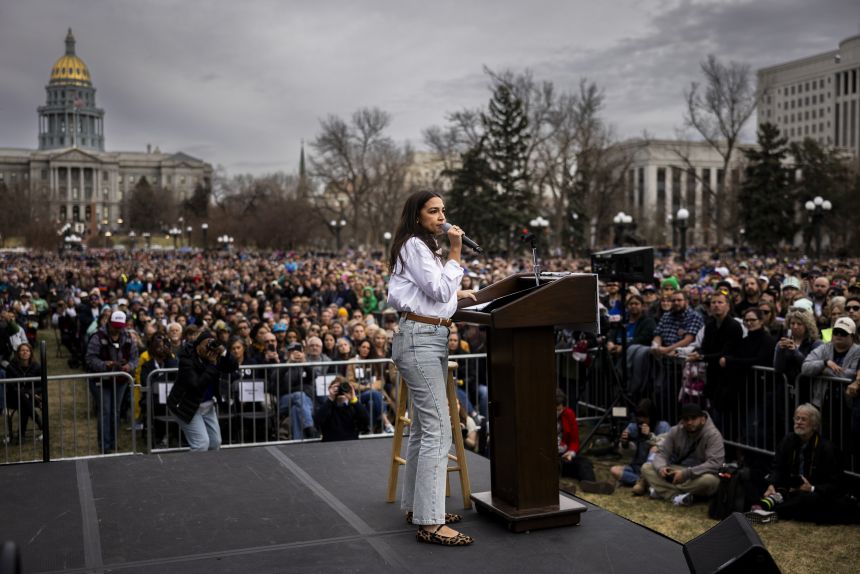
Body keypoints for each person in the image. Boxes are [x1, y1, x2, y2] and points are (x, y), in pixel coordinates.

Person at [387, 190, 475, 546]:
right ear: (417, 216)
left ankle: (418, 508)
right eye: (434, 211)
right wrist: (456, 252)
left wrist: (459, 296)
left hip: (428, 336)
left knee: (424, 429)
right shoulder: (413, 245)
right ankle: (431, 522)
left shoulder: (423, 247)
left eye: (443, 211)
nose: (442, 217)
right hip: (420, 338)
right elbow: (438, 292)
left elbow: (436, 294)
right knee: (440, 429)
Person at [746, 404, 858, 524]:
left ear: (814, 425)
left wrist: (812, 488)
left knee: (807, 499)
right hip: (789, 487)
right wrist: (772, 484)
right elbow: (777, 467)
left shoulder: (827, 448)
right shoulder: (788, 440)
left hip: (812, 492)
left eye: (804, 419)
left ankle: (768, 510)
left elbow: (836, 484)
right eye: (797, 418)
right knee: (753, 473)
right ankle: (764, 506)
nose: (799, 422)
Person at [639, 403, 725, 506]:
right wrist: (661, 467)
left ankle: (665, 491)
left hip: (699, 474)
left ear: (702, 419)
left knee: (710, 481)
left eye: (693, 418)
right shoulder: (675, 431)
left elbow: (715, 464)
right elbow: (662, 453)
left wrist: (686, 474)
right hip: (678, 471)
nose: (689, 422)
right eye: (686, 419)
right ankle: (678, 496)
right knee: (646, 467)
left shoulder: (713, 435)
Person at [167, 330, 237, 451]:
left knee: (215, 443)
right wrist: (212, 365)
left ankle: (208, 468)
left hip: (207, 406)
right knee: (201, 444)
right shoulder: (187, 360)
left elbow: (233, 367)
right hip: (186, 406)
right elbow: (197, 385)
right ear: (197, 346)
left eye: (211, 345)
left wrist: (223, 350)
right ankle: (192, 469)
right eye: (205, 346)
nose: (209, 350)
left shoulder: (215, 355)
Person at [85, 310, 139, 453]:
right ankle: (104, 446)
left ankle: (113, 443)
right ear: (109, 323)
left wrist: (130, 366)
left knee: (115, 411)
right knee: (105, 411)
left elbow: (135, 358)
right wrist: (105, 365)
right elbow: (90, 358)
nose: (117, 329)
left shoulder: (127, 338)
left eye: (120, 326)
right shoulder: (97, 337)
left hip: (120, 380)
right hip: (101, 380)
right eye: (115, 326)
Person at [610, 399, 670, 492]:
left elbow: (666, 447)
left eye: (645, 416)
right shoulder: (632, 427)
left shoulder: (663, 426)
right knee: (614, 470)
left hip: (653, 469)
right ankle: (643, 482)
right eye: (639, 416)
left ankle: (645, 480)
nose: (641, 420)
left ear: (652, 416)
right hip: (636, 467)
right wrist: (625, 444)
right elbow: (627, 455)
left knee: (654, 449)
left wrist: (649, 436)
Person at [3, 343, 42, 442]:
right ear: (18, 353)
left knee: (24, 401)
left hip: (32, 397)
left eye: (27, 350)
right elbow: (10, 386)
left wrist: (30, 392)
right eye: (22, 350)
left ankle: (21, 435)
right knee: (21, 396)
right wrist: (25, 393)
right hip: (13, 398)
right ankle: (38, 422)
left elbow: (41, 386)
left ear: (30, 353)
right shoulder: (11, 366)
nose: (25, 352)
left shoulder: (36, 367)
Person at [314, 376, 370, 442]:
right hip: (330, 445)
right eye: (337, 388)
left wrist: (354, 399)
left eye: (343, 388)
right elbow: (317, 421)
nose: (340, 391)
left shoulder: (354, 407)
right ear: (331, 390)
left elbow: (366, 421)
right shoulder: (327, 407)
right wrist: (330, 399)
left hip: (351, 444)